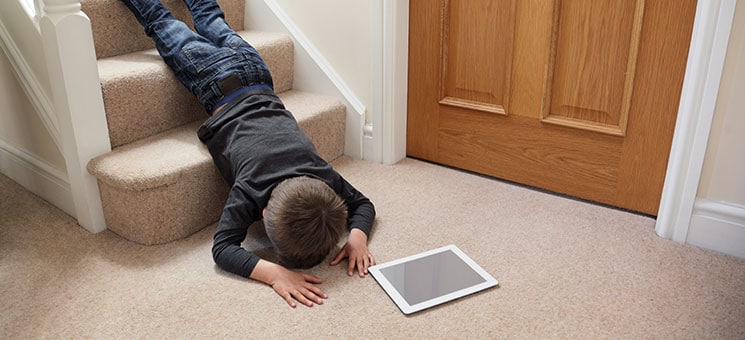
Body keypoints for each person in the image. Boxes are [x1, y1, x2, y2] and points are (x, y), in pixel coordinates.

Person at [120, 0, 376, 308]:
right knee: (160, 23)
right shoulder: (250, 187)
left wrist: (357, 237)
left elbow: (362, 204)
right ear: (264, 213)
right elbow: (223, 249)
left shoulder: (321, 173)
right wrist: (273, 273)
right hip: (212, 80)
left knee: (211, 18)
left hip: (256, 72)